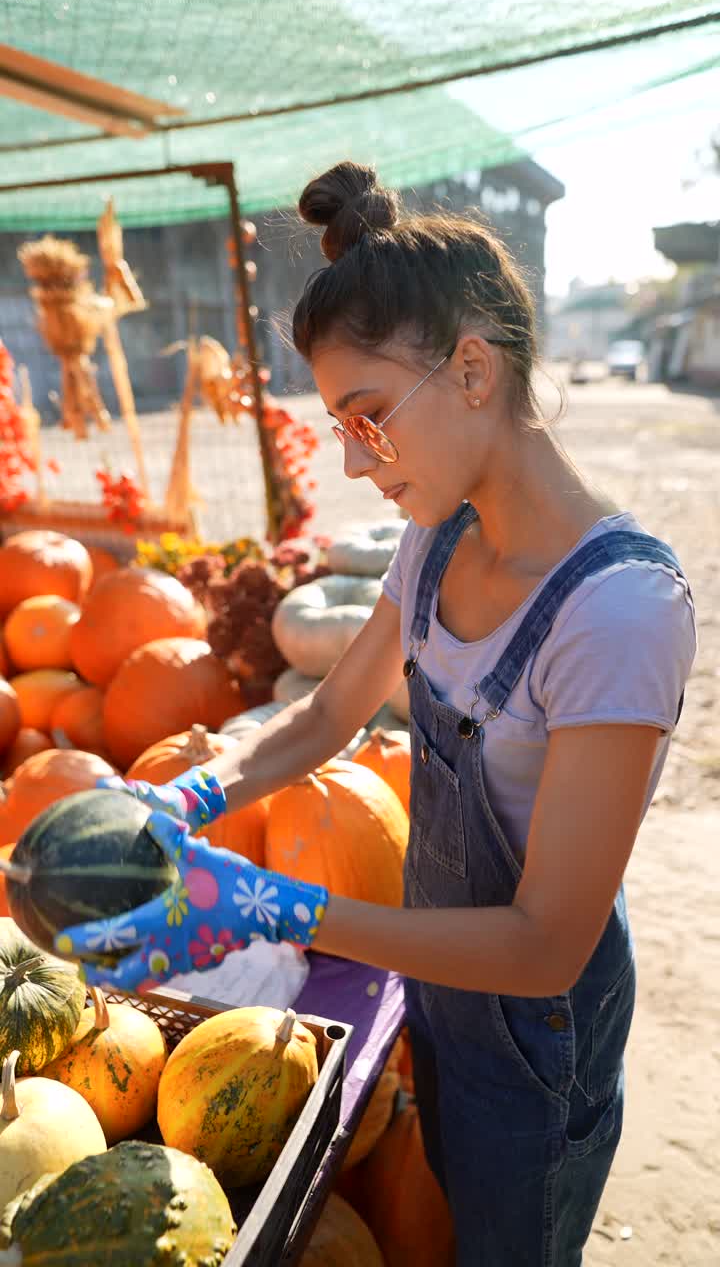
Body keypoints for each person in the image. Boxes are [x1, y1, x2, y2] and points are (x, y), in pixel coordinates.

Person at [58, 161, 697, 1266]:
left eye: (368, 418)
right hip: (442, 983)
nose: (353, 462)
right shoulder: (437, 536)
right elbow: (325, 719)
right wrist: (193, 791)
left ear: (472, 370)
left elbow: (547, 945)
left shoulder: (620, 612)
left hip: (537, 1033)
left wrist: (267, 903)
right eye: (340, 426)